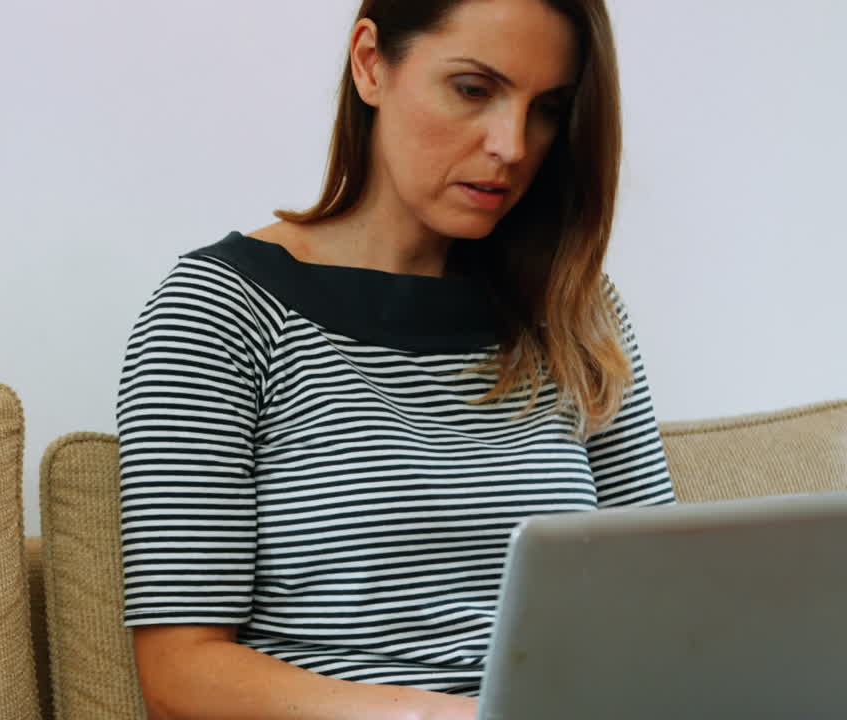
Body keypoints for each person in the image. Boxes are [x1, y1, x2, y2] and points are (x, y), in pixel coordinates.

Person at [116, 0, 677, 718]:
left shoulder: (576, 311)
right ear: (371, 63)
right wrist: (439, 716)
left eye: (547, 108)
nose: (511, 144)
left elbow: (660, 605)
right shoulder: (223, 310)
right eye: (474, 90)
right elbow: (178, 674)